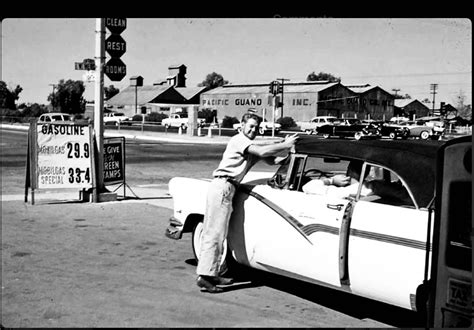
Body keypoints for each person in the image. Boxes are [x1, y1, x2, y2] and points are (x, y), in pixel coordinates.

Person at [196, 111, 299, 293]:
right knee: (214, 233)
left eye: (256, 128)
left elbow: (272, 160)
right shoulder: (239, 140)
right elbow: (262, 151)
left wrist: (291, 151)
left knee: (220, 234)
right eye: (250, 126)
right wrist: (284, 143)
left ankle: (213, 274)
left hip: (229, 188)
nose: (253, 130)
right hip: (223, 185)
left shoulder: (250, 146)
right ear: (242, 126)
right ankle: (205, 277)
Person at [302, 160, 372, 198]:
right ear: (367, 172)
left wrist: (332, 180)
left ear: (350, 170)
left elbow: (307, 187)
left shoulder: (343, 192)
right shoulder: (373, 188)